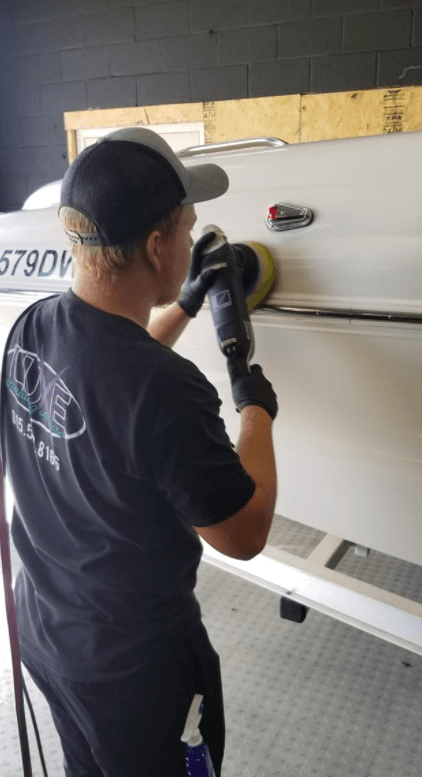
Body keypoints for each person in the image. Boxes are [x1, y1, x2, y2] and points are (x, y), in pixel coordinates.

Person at [2, 127, 278, 777]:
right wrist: (254, 403)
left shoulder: (32, 325)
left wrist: (184, 304)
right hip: (139, 675)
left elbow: (111, 382)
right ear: (158, 245)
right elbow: (244, 532)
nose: (190, 238)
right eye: (187, 226)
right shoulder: (167, 389)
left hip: (46, 635)